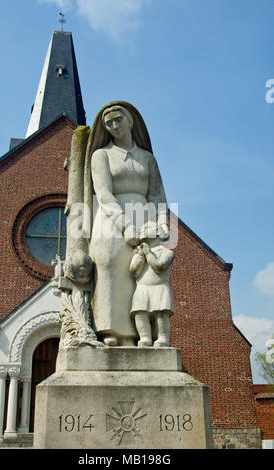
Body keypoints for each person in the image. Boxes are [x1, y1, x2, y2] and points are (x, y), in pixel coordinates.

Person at [83, 101, 170, 346]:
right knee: (113, 268)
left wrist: (161, 223)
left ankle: (140, 335)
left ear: (130, 121)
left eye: (117, 120)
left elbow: (156, 194)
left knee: (142, 275)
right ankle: (113, 331)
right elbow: (104, 194)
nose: (113, 126)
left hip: (144, 218)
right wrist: (125, 226)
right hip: (112, 221)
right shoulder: (101, 156)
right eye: (108, 123)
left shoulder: (147, 159)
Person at [129, 221, 174, 347]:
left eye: (148, 227)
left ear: (159, 232)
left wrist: (148, 253)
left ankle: (163, 337)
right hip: (142, 288)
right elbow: (134, 271)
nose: (143, 230)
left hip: (159, 287)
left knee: (160, 313)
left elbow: (159, 267)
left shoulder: (167, 252)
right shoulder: (140, 252)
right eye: (142, 228)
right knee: (139, 313)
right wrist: (140, 256)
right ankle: (145, 337)